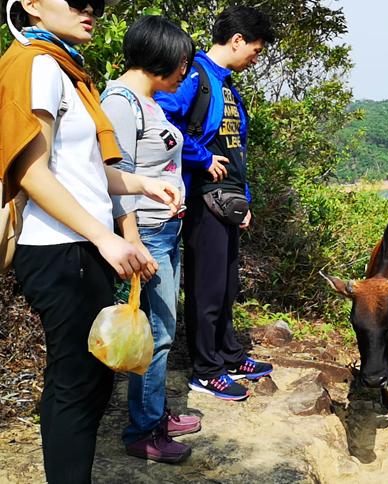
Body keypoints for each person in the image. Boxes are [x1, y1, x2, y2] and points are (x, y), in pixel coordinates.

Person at [0, 0, 181, 482]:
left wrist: (143, 185)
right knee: (77, 383)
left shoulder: (65, 68)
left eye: (96, 3)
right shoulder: (34, 64)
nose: (90, 9)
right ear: (31, 5)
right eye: (77, 0)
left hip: (80, 246)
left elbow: (83, 172)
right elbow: (30, 173)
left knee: (88, 380)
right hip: (60, 249)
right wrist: (106, 237)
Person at [155, 5, 274, 401]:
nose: (254, 58)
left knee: (226, 285)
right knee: (206, 289)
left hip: (228, 201)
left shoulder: (226, 84)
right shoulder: (196, 76)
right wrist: (201, 158)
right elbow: (163, 120)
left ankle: (228, 353)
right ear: (237, 40)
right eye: (254, 50)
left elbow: (236, 149)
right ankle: (205, 369)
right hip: (203, 201)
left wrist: (246, 201)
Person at [101, 15, 198, 463]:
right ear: (165, 57)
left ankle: (155, 412)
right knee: (155, 334)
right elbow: (113, 176)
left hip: (166, 228)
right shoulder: (121, 102)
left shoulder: (151, 100)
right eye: (183, 61)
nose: (186, 70)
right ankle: (144, 429)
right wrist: (133, 240)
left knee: (163, 329)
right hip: (148, 235)